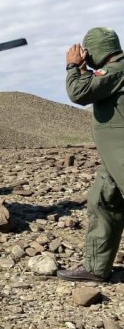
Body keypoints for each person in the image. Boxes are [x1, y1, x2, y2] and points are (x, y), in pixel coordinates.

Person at [58, 28, 124, 282]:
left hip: (120, 155)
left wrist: (73, 67)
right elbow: (94, 87)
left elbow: (80, 93)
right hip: (113, 158)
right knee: (102, 202)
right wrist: (85, 70)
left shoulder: (117, 69)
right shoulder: (113, 72)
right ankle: (96, 268)